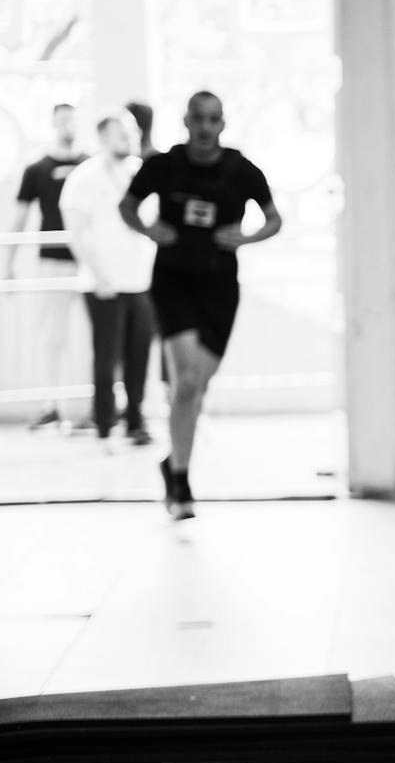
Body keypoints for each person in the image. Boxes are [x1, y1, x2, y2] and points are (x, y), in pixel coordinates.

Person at [119, 91, 282, 519]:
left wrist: (245, 238)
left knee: (197, 388)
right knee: (186, 382)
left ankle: (172, 463)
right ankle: (182, 480)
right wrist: (150, 231)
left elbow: (274, 219)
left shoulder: (241, 170)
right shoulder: (164, 166)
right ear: (187, 122)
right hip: (173, 282)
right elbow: (128, 206)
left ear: (223, 124)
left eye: (214, 119)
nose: (206, 127)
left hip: (219, 287)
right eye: (198, 119)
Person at [60, 112, 156, 446]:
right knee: (106, 357)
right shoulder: (85, 178)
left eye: (132, 131)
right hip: (103, 284)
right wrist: (99, 275)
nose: (129, 137)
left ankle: (135, 420)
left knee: (139, 356)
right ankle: (103, 422)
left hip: (140, 282)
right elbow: (77, 233)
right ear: (102, 137)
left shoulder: (140, 172)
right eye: (121, 132)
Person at [7, 104, 87, 429]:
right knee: (53, 336)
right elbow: (19, 216)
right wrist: (7, 263)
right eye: (62, 120)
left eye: (73, 119)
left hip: (88, 263)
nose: (68, 126)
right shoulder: (37, 169)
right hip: (52, 262)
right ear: (54, 123)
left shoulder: (90, 165)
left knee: (92, 336)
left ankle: (97, 406)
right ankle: (52, 404)